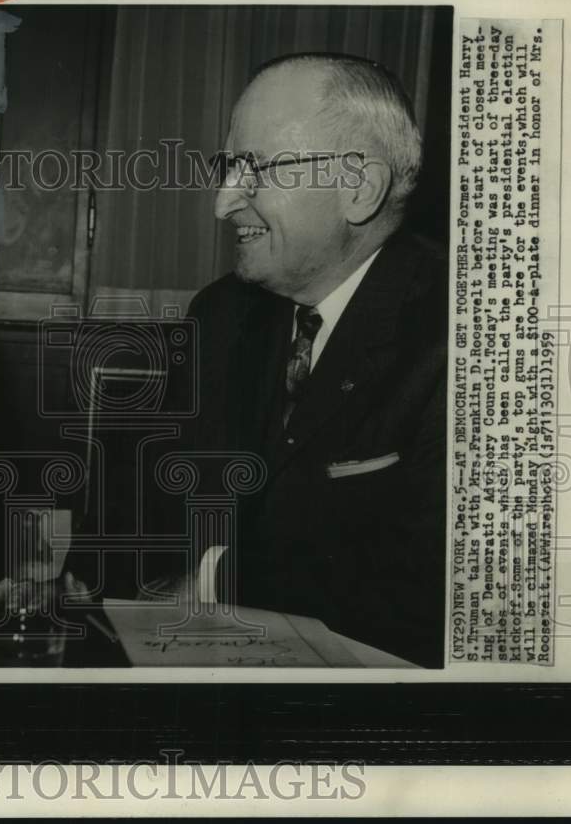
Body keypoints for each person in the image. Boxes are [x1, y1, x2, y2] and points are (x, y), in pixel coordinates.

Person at [178, 52, 447, 667]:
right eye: (228, 166)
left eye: (257, 170)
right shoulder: (222, 315)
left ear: (359, 187)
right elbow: (167, 496)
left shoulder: (469, 336)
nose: (223, 203)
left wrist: (213, 577)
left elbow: (429, 605)